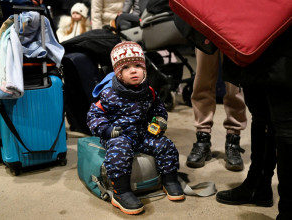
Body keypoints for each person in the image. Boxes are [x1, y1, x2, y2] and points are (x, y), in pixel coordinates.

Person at [87, 41, 185, 215]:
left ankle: (169, 179)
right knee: (119, 151)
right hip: (120, 134)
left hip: (143, 133)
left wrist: (160, 119)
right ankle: (121, 192)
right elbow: (94, 116)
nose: (134, 70)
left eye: (138, 65)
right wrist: (107, 130)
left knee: (165, 144)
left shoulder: (149, 91)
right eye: (126, 68)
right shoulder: (109, 95)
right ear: (117, 73)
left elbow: (158, 108)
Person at [215, 26, 292, 220]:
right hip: (252, 35)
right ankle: (258, 186)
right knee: (262, 115)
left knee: (286, 126)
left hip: (284, 35)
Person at [186, 48, 247, 171]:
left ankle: (233, 140)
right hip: (207, 29)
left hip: (234, 30)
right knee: (203, 80)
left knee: (235, 86)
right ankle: (203, 139)